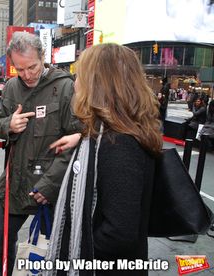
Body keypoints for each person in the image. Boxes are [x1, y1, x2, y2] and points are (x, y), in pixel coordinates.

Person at [46, 43, 162, 276]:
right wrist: (80, 137)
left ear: (98, 85)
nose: (75, 83)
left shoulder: (118, 144)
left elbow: (119, 235)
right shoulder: (109, 135)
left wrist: (74, 254)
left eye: (80, 75)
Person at [0, 31, 82, 276]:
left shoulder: (65, 87)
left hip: (48, 186)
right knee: (1, 241)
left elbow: (75, 140)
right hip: (15, 184)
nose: (27, 75)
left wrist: (50, 185)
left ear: (43, 57)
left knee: (53, 247)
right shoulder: (11, 86)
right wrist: (9, 125)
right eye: (19, 69)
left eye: (32, 67)